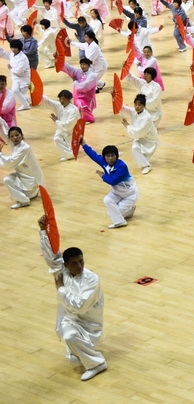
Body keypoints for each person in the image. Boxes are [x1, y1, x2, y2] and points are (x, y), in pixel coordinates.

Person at [37, 219, 107, 381]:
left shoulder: (92, 280)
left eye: (81, 260)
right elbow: (50, 255)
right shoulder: (62, 271)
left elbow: (80, 306)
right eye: (74, 263)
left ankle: (97, 364)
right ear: (66, 264)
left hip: (89, 323)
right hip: (69, 319)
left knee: (71, 337)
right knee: (69, 337)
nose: (80, 265)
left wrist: (60, 289)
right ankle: (83, 354)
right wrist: (42, 231)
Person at [81, 141, 138, 229]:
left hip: (129, 195)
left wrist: (102, 175)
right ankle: (129, 211)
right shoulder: (103, 161)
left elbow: (113, 181)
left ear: (117, 156)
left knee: (112, 214)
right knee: (107, 200)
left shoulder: (121, 166)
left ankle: (120, 222)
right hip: (117, 192)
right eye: (107, 156)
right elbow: (93, 155)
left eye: (112, 155)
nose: (110, 158)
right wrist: (83, 144)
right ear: (104, 157)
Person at [0, 126, 44, 209]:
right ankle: (31, 194)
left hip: (30, 182)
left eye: (17, 135)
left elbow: (9, 164)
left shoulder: (24, 148)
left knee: (7, 179)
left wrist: (0, 154)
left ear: (22, 135)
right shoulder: (15, 144)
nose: (15, 138)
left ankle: (24, 201)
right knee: (9, 179)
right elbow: (4, 134)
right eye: (12, 136)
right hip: (26, 179)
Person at [121, 94, 159, 175]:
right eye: (136, 104)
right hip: (140, 138)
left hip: (150, 140)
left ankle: (146, 165)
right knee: (135, 148)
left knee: (138, 150)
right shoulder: (134, 111)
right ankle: (146, 165)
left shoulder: (147, 117)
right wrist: (115, 98)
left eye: (140, 105)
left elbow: (138, 132)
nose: (137, 107)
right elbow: (124, 108)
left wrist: (128, 125)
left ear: (144, 106)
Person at [40, 89, 80, 161]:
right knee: (57, 138)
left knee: (66, 141)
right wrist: (37, 93)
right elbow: (48, 101)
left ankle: (70, 153)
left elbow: (68, 125)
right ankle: (67, 154)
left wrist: (56, 121)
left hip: (71, 130)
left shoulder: (73, 110)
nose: (61, 101)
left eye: (64, 99)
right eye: (60, 98)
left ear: (69, 99)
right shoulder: (59, 105)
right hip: (61, 128)